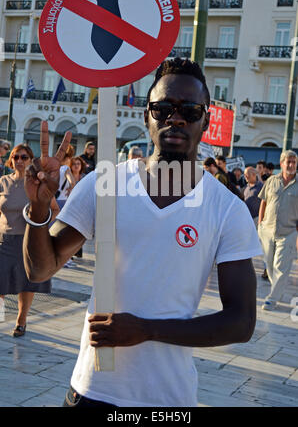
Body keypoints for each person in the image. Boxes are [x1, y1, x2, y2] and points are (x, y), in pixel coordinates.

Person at [23, 58, 261, 407]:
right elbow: (40, 269)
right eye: (162, 108)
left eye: (190, 110)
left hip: (166, 400)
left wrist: (147, 330)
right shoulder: (106, 182)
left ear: (206, 120)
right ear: (146, 116)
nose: (175, 118)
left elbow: (241, 323)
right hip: (89, 391)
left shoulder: (226, 208)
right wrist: (40, 208)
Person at [0, 144, 59, 333]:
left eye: (24, 157)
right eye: (16, 157)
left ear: (30, 160)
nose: (19, 161)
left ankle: (21, 321)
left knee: (27, 283)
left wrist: (41, 227)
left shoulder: (35, 183)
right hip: (4, 240)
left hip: (28, 241)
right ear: (11, 159)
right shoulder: (2, 182)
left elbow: (54, 209)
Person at [258, 150, 298, 311]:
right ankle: (278, 291)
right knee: (269, 265)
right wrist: (260, 224)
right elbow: (264, 202)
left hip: (288, 232)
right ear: (281, 163)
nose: (291, 165)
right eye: (288, 162)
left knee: (281, 267)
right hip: (267, 230)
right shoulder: (271, 181)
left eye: (293, 162)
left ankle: (272, 299)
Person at [69, 157, 86, 258]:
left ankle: (78, 250)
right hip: (68, 206)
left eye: (78, 164)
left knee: (79, 230)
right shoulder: (67, 176)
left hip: (80, 206)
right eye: (74, 164)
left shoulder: (84, 177)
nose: (76, 166)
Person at [56, 144, 76, 211]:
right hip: (62, 200)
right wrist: (70, 188)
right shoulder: (65, 168)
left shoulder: (55, 168)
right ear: (68, 159)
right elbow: (72, 182)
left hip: (52, 199)